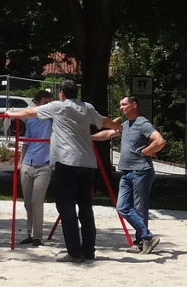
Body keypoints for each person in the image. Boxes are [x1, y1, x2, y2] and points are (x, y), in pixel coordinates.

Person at [8, 80, 115, 261]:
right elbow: (103, 121)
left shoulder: (58, 107)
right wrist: (117, 126)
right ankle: (88, 250)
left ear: (62, 94)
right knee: (85, 207)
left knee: (66, 207)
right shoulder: (87, 107)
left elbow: (30, 111)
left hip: (67, 161)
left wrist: (11, 114)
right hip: (87, 163)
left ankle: (74, 252)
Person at [110, 95, 166, 253]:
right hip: (127, 172)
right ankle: (147, 237)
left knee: (140, 208)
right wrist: (87, 138)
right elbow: (109, 134)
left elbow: (159, 141)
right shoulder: (126, 125)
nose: (121, 107)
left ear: (134, 105)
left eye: (124, 104)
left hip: (141, 171)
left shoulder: (143, 123)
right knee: (122, 207)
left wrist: (146, 151)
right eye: (120, 105)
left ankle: (141, 242)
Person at [14, 90, 54, 246]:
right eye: (45, 103)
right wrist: (20, 161)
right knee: (27, 202)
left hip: (44, 164)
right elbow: (26, 142)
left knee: (37, 201)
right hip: (28, 162)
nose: (48, 106)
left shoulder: (52, 119)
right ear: (37, 103)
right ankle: (29, 233)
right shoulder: (31, 120)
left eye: (49, 103)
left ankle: (37, 235)